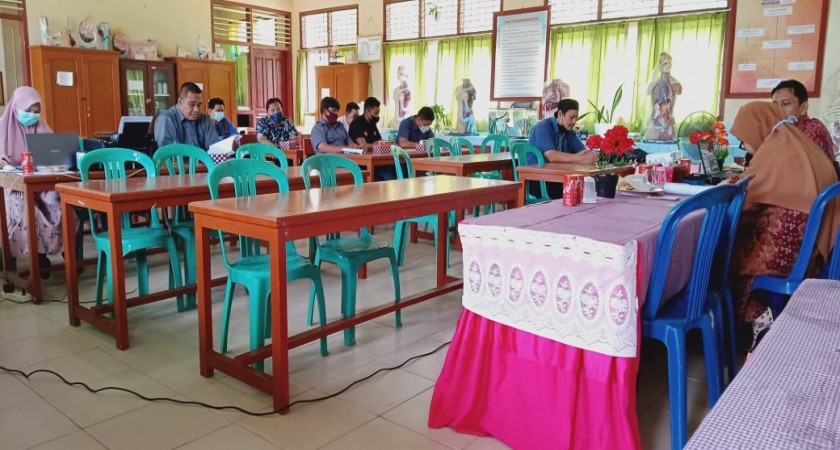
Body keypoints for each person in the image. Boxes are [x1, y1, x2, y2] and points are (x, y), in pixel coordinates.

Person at [728, 101, 840, 350]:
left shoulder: (773, 152)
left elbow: (742, 200)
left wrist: (727, 186)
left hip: (795, 256)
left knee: (724, 255)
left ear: (758, 128)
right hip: (818, 249)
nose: (744, 147)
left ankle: (755, 319)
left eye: (743, 140)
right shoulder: (799, 145)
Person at [0, 86, 68, 277]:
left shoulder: (42, 128)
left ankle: (62, 253)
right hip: (13, 187)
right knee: (23, 208)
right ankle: (35, 255)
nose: (32, 115)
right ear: (16, 107)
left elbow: (57, 153)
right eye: (28, 110)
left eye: (37, 112)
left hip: (41, 185)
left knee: (59, 202)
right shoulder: (1, 128)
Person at [527, 98, 598, 198]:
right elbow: (552, 156)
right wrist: (581, 158)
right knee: (576, 190)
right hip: (538, 180)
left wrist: (587, 156)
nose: (574, 122)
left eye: (576, 118)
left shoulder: (568, 132)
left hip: (556, 177)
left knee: (590, 185)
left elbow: (583, 151)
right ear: (560, 114)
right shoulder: (543, 128)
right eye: (571, 117)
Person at [771, 79, 836, 162]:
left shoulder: (814, 127)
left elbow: (796, 164)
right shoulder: (781, 131)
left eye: (786, 103)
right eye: (775, 105)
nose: (779, 110)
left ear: (803, 108)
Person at [154, 82, 218, 150]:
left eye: (199, 105)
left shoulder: (206, 120)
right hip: (179, 160)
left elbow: (215, 150)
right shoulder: (166, 119)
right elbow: (166, 154)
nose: (196, 109)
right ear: (180, 101)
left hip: (204, 160)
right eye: (192, 104)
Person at [350, 97, 394, 180]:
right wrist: (378, 144)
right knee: (388, 174)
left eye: (378, 113)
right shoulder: (357, 124)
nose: (377, 116)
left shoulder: (372, 124)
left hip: (376, 158)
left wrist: (390, 143)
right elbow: (363, 145)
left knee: (397, 168)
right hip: (361, 161)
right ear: (367, 111)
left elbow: (379, 141)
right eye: (375, 113)